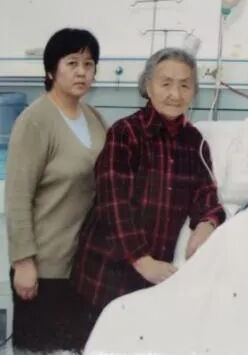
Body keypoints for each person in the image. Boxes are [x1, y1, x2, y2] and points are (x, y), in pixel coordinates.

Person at [71, 48, 226, 322]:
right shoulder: (126, 133)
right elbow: (114, 204)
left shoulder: (195, 142)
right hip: (107, 271)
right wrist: (142, 261)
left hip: (154, 277)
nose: (175, 94)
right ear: (148, 86)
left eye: (185, 85)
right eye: (166, 84)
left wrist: (207, 224)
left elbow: (206, 194)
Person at [5, 28, 106, 353]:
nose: (81, 72)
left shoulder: (94, 118)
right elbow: (18, 196)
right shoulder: (35, 121)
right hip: (44, 268)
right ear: (51, 70)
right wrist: (23, 262)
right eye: (72, 63)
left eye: (88, 64)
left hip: (84, 266)